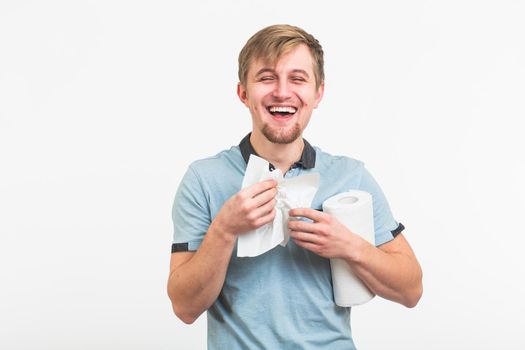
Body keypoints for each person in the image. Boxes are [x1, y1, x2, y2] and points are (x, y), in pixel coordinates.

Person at [167, 24, 422, 349]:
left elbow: (411, 290)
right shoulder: (204, 179)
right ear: (243, 93)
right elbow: (184, 307)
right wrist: (225, 229)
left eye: (297, 79)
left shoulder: (351, 175)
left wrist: (351, 246)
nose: (282, 92)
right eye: (266, 77)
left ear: (318, 94)